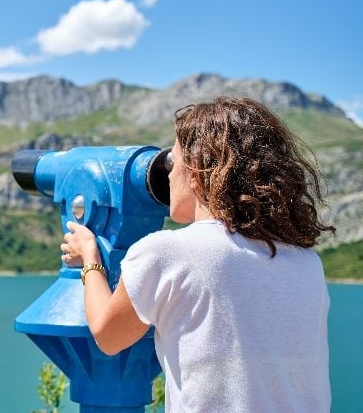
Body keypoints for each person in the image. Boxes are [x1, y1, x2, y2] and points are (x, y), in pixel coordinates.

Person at [60, 97, 334, 412]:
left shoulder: (168, 252)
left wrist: (90, 257)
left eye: (172, 163)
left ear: (198, 170)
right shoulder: (307, 261)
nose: (167, 176)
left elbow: (108, 337)